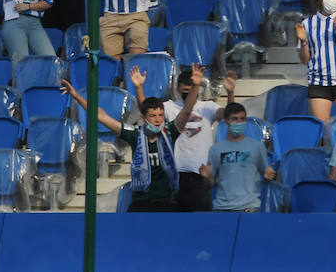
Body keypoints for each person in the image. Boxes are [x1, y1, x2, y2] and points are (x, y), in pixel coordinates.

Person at [96, 65, 205, 211]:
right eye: (153, 116)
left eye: (161, 115)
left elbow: (186, 111)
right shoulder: (135, 135)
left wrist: (196, 86)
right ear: (144, 119)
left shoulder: (170, 132)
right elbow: (102, 117)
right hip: (141, 201)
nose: (158, 120)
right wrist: (76, 96)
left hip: (166, 201)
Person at [138, 67, 236, 213]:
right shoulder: (169, 107)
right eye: (185, 90)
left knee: (199, 220)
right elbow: (147, 112)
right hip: (173, 175)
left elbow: (229, 116)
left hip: (199, 174)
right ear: (178, 88)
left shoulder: (208, 107)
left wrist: (231, 93)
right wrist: (139, 87)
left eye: (191, 89)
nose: (188, 93)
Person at [201, 103, 276, 212]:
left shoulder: (257, 146)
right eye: (235, 119)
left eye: (242, 119)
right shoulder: (215, 149)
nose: (239, 122)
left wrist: (268, 176)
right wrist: (206, 177)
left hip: (250, 209)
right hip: (222, 209)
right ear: (226, 121)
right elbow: (209, 185)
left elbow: (266, 177)